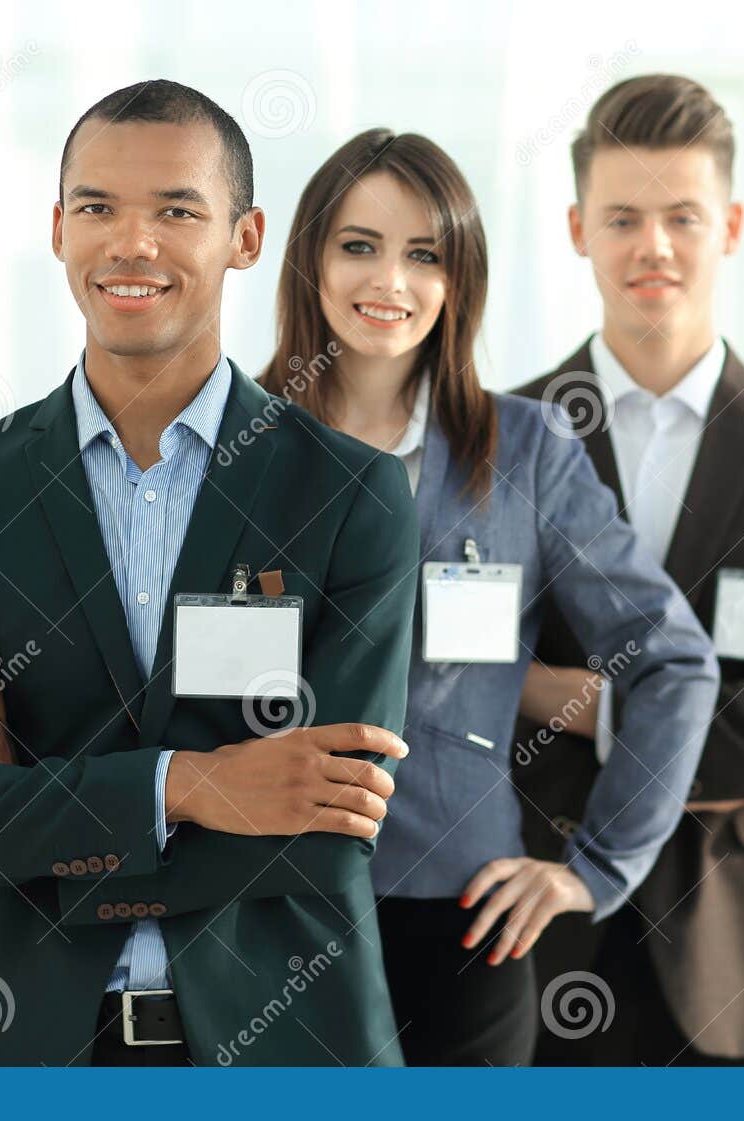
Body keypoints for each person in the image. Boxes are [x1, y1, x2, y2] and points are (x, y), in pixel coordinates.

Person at [0, 80, 421, 1067]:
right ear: (57, 229)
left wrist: (22, 801)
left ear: (244, 238)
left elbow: (325, 831)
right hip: (26, 1056)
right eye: (97, 207)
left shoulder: (351, 496)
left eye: (176, 211)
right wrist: (192, 784)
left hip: (287, 1056)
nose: (132, 242)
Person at [260, 129, 720, 1066]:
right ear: (309, 258)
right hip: (260, 911)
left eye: (424, 254)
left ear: (458, 278)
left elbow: (670, 658)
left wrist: (596, 870)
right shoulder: (233, 440)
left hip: (462, 920)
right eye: (358, 245)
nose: (389, 279)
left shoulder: (527, 450)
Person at [512, 74, 744, 1065]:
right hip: (534, 938)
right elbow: (459, 698)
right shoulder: (494, 442)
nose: (654, 247)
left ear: (728, 226)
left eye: (682, 216)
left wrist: (586, 706)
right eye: (623, 217)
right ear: (575, 228)